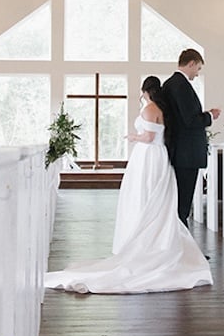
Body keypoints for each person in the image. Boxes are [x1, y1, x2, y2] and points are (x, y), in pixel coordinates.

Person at [44, 76, 212, 294]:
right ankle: (157, 239)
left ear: (145, 90)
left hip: (149, 156)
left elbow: (150, 136)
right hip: (159, 157)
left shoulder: (150, 109)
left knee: (143, 195)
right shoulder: (162, 107)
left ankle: (143, 242)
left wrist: (134, 137)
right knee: (156, 199)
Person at [162, 49, 221, 227]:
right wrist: (210, 116)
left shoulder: (172, 84)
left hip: (181, 151)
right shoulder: (180, 85)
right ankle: (183, 248)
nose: (197, 73)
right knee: (183, 204)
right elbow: (189, 120)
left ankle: (183, 246)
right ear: (191, 63)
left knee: (180, 202)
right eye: (198, 68)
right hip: (186, 152)